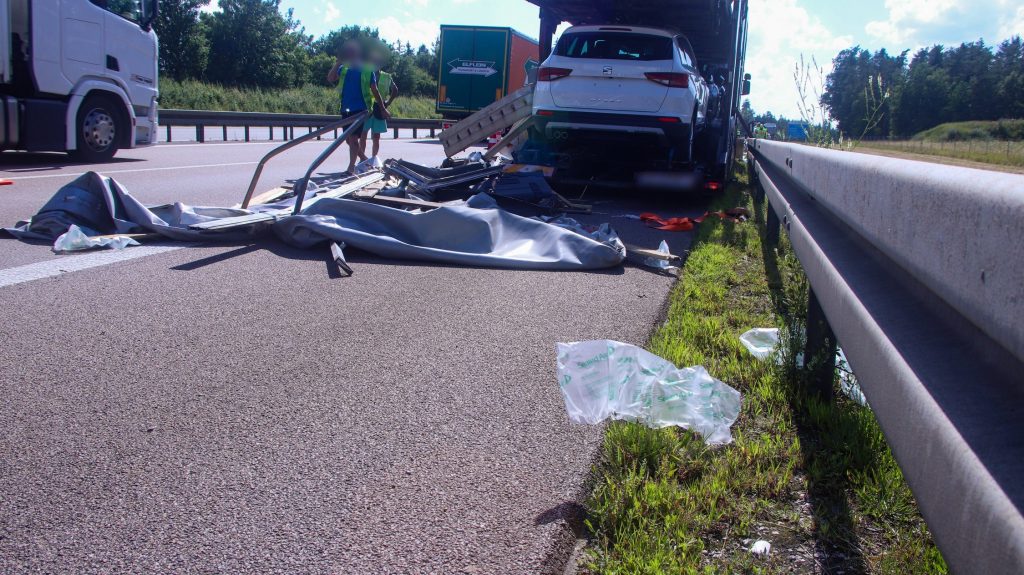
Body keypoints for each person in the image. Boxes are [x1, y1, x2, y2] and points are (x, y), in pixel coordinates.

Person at [327, 40, 388, 174]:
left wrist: (383, 108)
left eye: (351, 51)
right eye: (347, 52)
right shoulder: (344, 69)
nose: (349, 54)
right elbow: (330, 78)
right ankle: (365, 159)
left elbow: (375, 91)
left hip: (361, 110)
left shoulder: (367, 70)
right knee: (348, 140)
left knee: (353, 139)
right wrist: (338, 62)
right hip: (345, 109)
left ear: (357, 53)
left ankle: (350, 168)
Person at [361, 51, 400, 160]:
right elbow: (395, 90)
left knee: (369, 136)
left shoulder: (369, 74)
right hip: (374, 107)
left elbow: (395, 90)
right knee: (370, 136)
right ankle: (368, 159)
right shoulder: (382, 76)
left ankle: (368, 159)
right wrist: (387, 103)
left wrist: (387, 103)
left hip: (373, 107)